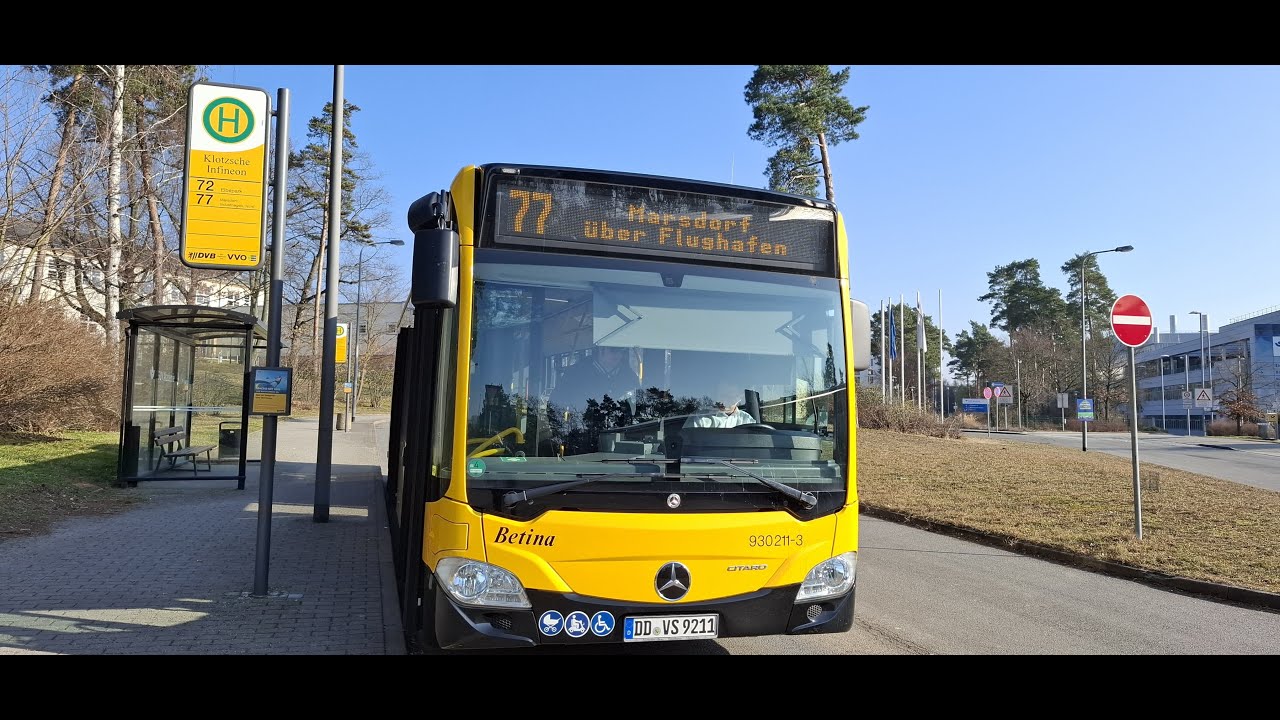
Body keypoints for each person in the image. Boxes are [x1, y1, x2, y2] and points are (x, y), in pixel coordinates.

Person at [550, 345, 640, 411]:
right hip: (582, 429)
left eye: (622, 351)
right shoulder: (577, 372)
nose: (618, 354)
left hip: (621, 429)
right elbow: (555, 403)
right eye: (614, 350)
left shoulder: (629, 376)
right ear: (601, 349)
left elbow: (639, 404)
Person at [683, 379, 757, 428]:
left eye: (730, 395)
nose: (724, 401)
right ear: (716, 396)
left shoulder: (747, 420)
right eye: (722, 395)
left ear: (739, 397)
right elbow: (688, 447)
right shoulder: (699, 418)